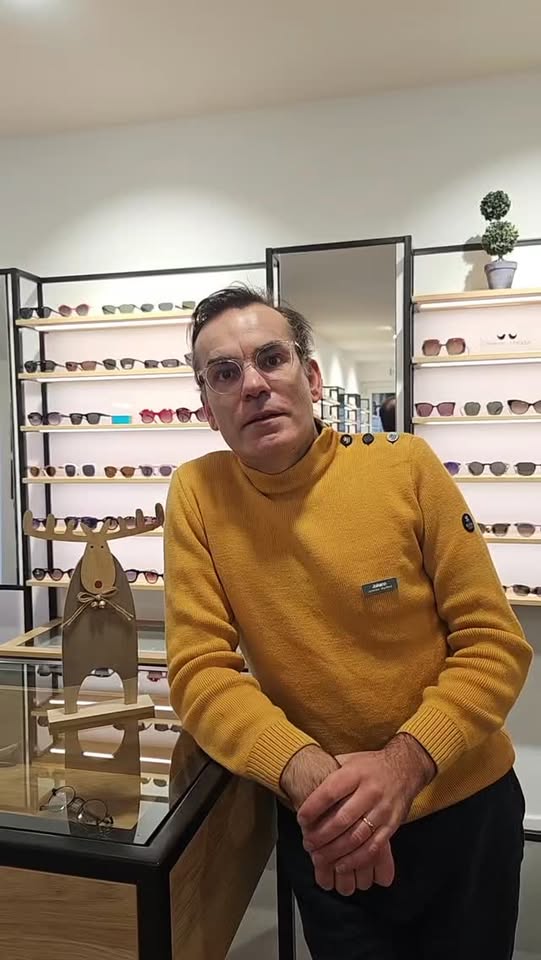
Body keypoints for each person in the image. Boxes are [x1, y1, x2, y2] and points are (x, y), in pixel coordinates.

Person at [165, 285, 532, 960]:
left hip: (462, 807)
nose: (252, 385)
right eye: (224, 373)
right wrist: (303, 771)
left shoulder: (406, 465)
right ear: (208, 409)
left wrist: (403, 765)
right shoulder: (198, 494)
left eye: (270, 359)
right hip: (324, 822)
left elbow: (493, 643)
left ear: (310, 379)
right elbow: (199, 671)